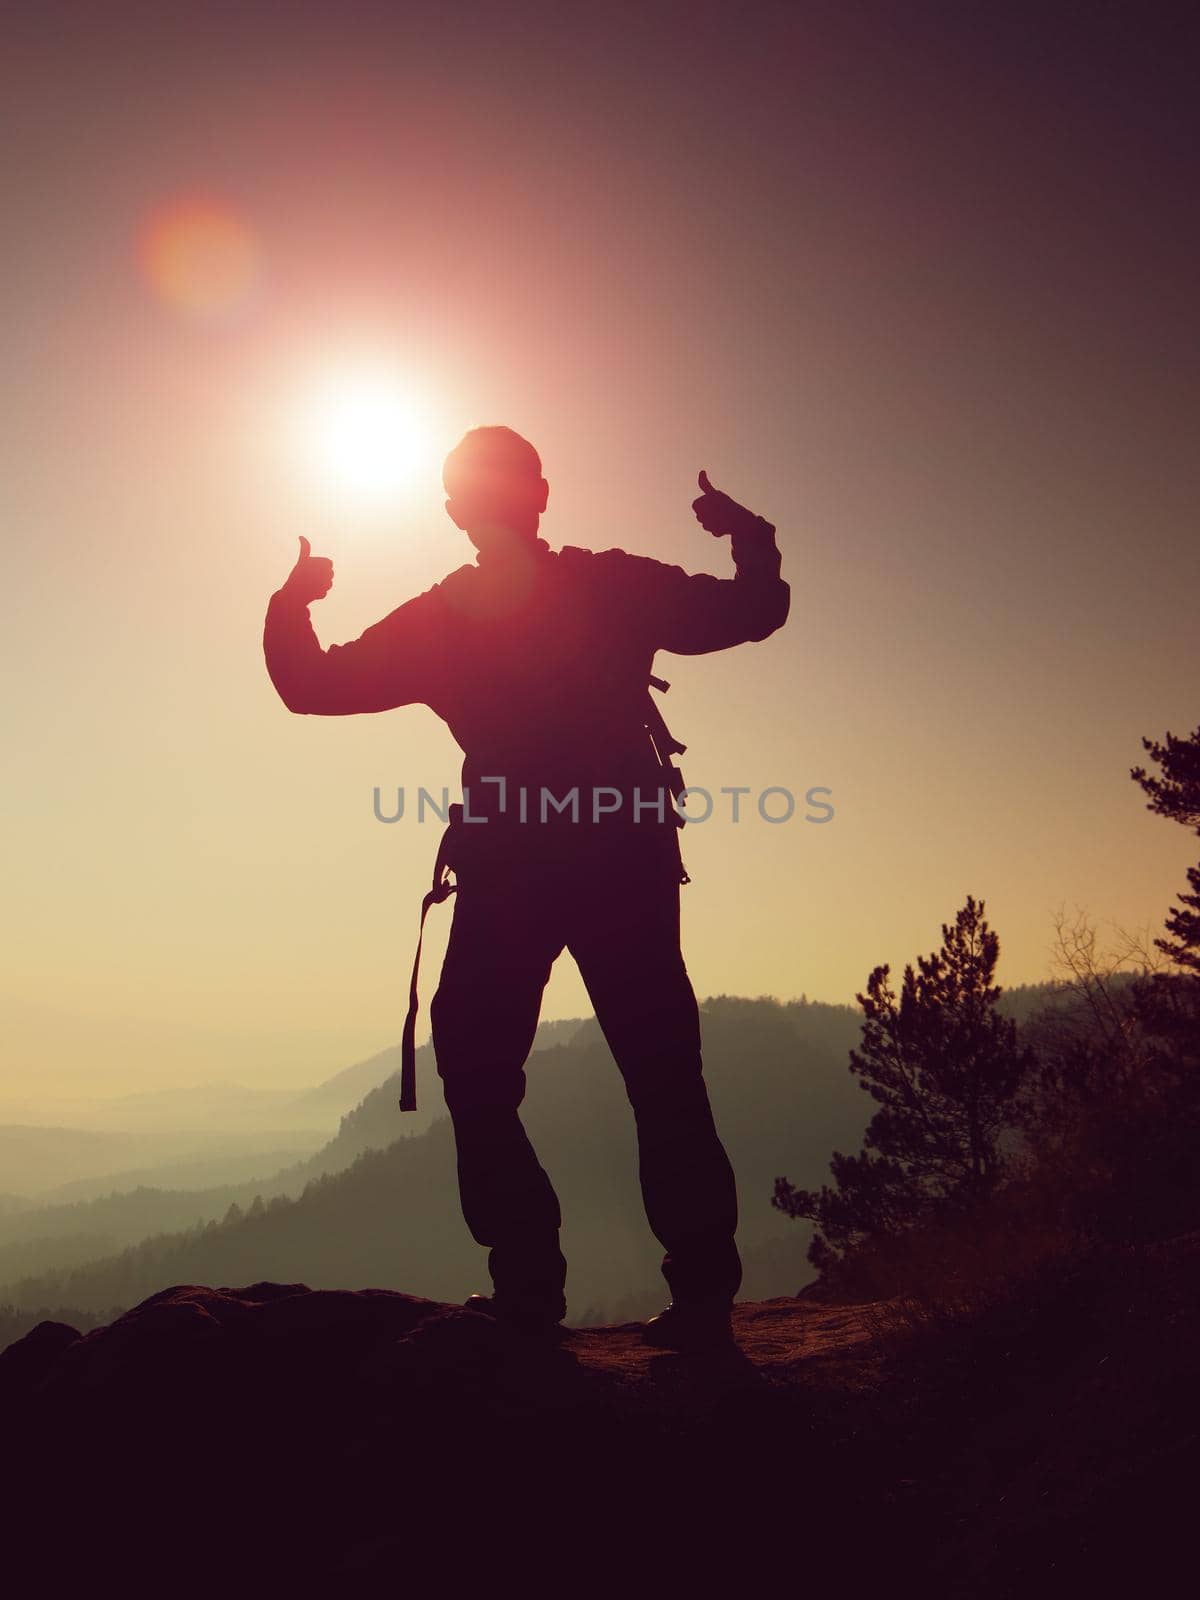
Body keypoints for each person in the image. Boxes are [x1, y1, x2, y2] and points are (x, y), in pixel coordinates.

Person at [262, 426, 789, 1348]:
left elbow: (310, 685)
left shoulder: (444, 618)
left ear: (458, 511)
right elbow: (752, 611)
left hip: (511, 869)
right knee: (661, 1068)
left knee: (477, 1065)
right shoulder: (610, 586)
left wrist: (293, 600)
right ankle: (701, 1294)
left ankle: (529, 1288)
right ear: (539, 498)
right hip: (621, 855)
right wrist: (749, 536)